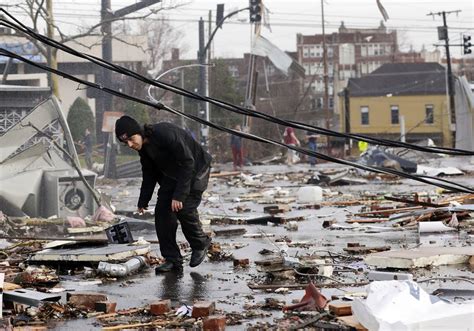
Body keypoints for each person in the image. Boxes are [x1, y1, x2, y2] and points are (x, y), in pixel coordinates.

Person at [115, 116, 212, 273]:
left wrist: (179, 195)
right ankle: (173, 259)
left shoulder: (165, 134)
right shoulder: (144, 149)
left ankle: (200, 243)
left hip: (196, 169)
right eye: (126, 143)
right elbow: (149, 174)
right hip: (173, 175)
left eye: (131, 139)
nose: (130, 145)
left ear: (139, 131)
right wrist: (143, 200)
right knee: (162, 214)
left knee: (184, 208)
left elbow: (188, 162)